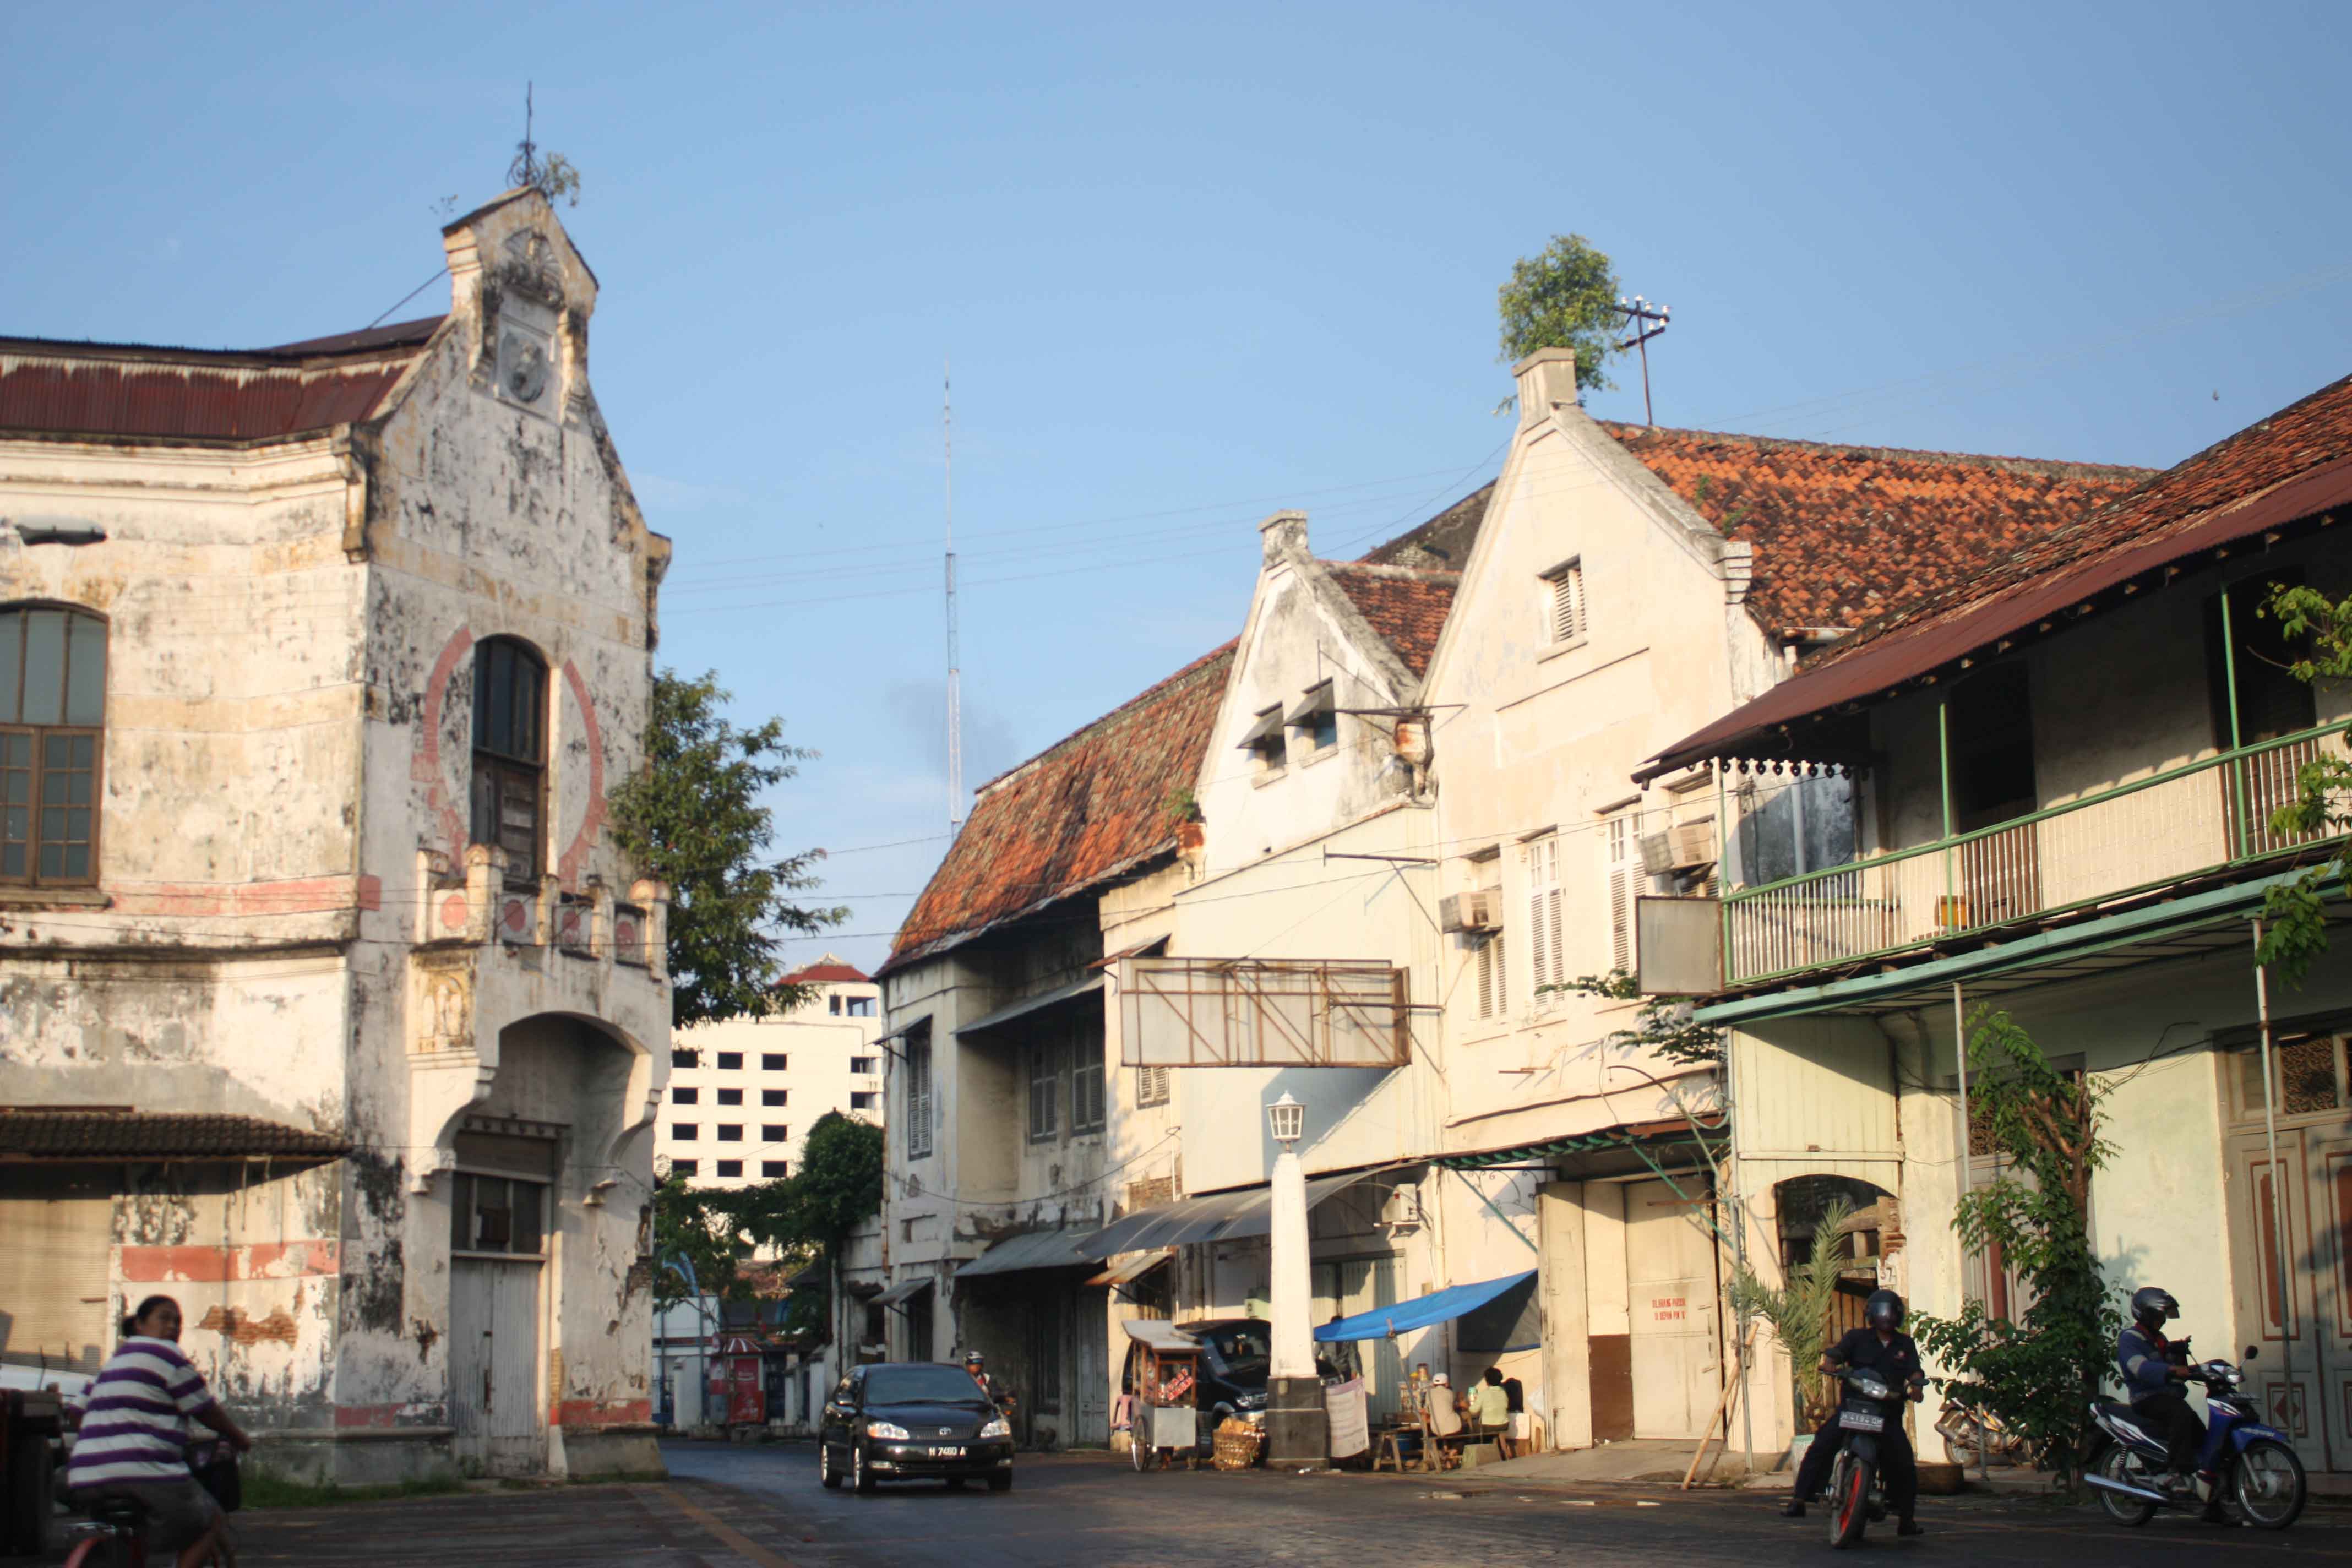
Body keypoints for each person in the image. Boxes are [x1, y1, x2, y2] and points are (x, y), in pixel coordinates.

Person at [67, 1295, 253, 1568]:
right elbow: (205, 1410)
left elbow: (75, 1412)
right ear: (140, 1325)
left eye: (178, 1322)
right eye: (164, 1318)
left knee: (136, 1528)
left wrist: (104, 1437)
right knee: (211, 1519)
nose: (172, 1327)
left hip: (84, 1477)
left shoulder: (112, 1364)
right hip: (146, 1473)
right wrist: (240, 1438)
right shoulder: (169, 1356)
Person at [1782, 1288, 1925, 1537]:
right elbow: (1835, 1353)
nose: (1887, 1317)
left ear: (1898, 1316)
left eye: (1891, 1312)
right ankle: (1799, 1500)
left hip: (1886, 1413)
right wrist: (1830, 1362)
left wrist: (1916, 1386)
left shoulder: (1905, 1344)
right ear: (1871, 1314)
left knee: (1902, 1460)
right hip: (1853, 1408)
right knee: (1823, 1444)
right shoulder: (1856, 1338)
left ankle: (1906, 1518)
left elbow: (1915, 1371)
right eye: (1882, 1312)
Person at [2117, 1286, 2211, 1495]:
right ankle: (2177, 1472)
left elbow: (2174, 1368)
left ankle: (2209, 1498)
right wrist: (2170, 1369)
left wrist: (2179, 1354)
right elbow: (2139, 1367)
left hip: (2167, 1397)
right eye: (2160, 1316)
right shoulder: (2130, 1339)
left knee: (2201, 1435)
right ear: (2147, 1314)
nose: (2164, 1320)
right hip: (2146, 1398)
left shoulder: (2159, 1340)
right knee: (2181, 1414)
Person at [1472, 1368, 1512, 1453]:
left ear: (1487, 1381)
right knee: (1497, 1431)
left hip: (1488, 1427)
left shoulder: (1484, 1394)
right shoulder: (1503, 1392)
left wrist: (1466, 1405)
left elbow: (1474, 1410)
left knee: (1472, 1430)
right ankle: (1502, 1451)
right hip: (1504, 1425)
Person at [1501, 1372, 1528, 1459]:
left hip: (1510, 1414)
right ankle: (1517, 1455)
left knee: (1507, 1435)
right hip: (1519, 1412)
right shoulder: (1518, 1387)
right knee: (1519, 1437)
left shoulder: (1506, 1390)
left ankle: (1508, 1454)